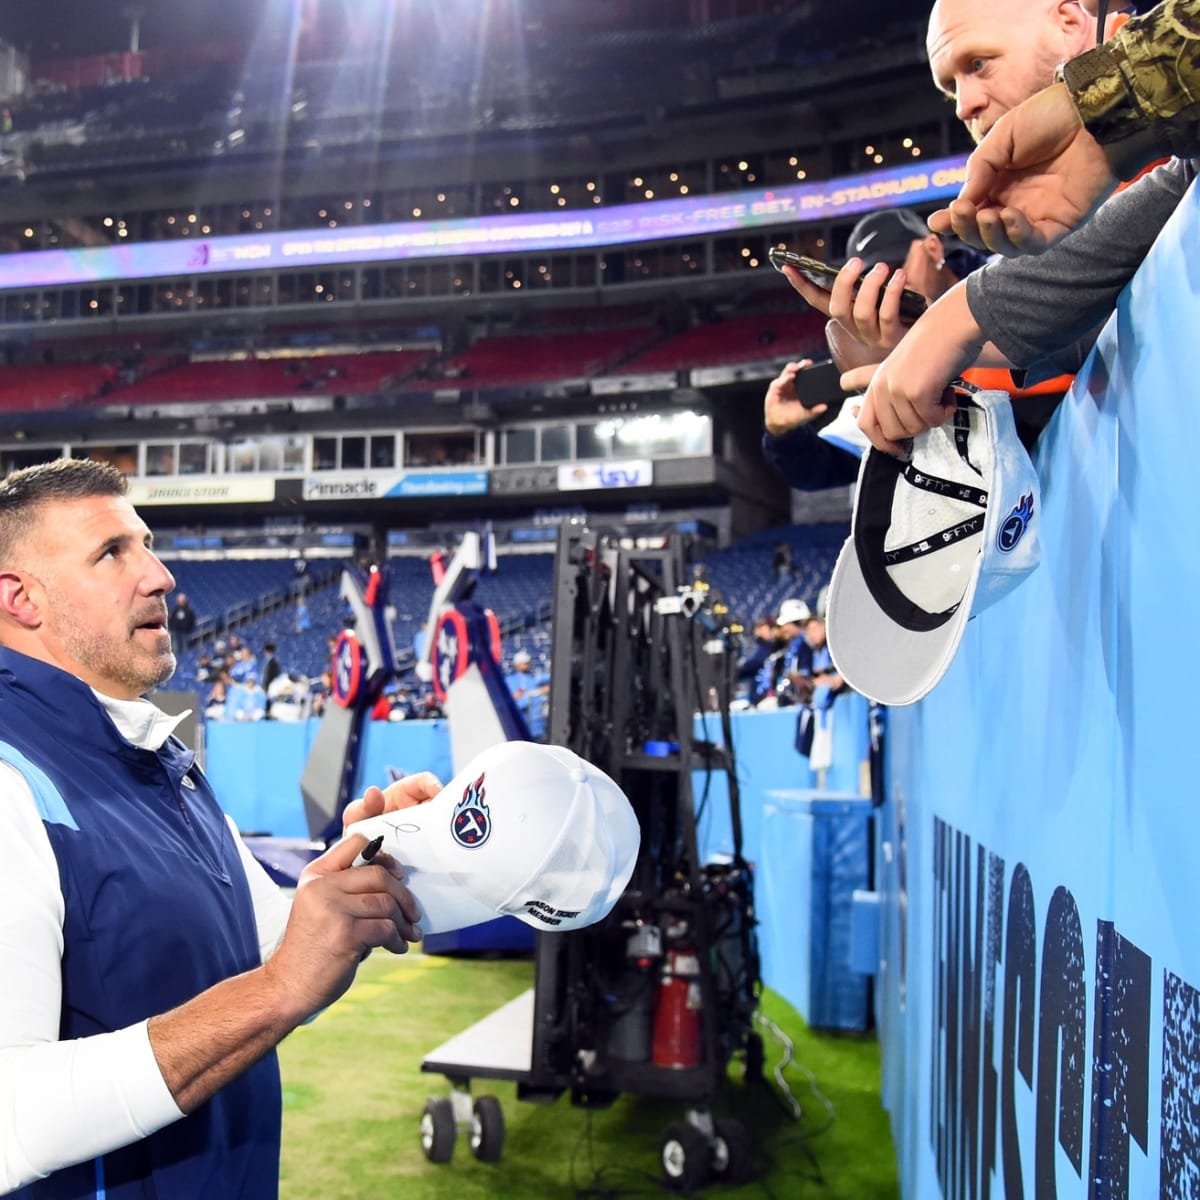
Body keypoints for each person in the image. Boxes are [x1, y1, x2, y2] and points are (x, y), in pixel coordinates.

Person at [0, 458, 442, 1198]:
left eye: (146, 543)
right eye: (112, 553)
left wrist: (376, 855)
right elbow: (10, 1118)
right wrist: (274, 991)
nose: (160, 575)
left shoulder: (154, 753)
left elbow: (268, 940)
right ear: (22, 599)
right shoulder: (11, 780)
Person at [854, 0, 1200, 451]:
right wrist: (946, 339)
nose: (963, 105)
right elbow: (1112, 330)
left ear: (1071, 23)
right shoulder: (1046, 212)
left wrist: (971, 312)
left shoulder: (1166, 139)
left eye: (978, 63)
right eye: (950, 88)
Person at [504, 648, 551, 740]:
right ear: (518, 664)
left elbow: (551, 678)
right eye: (526, 663)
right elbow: (516, 702)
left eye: (529, 662)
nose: (529, 665)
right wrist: (539, 692)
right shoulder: (509, 680)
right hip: (521, 726)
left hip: (537, 727)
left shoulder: (533, 678)